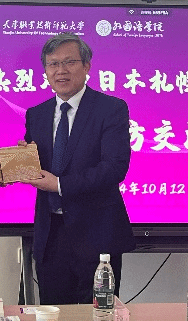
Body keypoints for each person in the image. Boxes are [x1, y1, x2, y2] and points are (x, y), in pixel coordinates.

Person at [18, 33, 135, 305]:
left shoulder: (111, 109)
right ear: (46, 70)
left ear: (86, 66)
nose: (61, 70)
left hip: (97, 235)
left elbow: (114, 168)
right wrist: (17, 164)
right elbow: (38, 166)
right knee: (54, 319)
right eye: (53, 64)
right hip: (51, 236)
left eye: (69, 62)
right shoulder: (36, 114)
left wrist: (59, 185)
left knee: (101, 318)